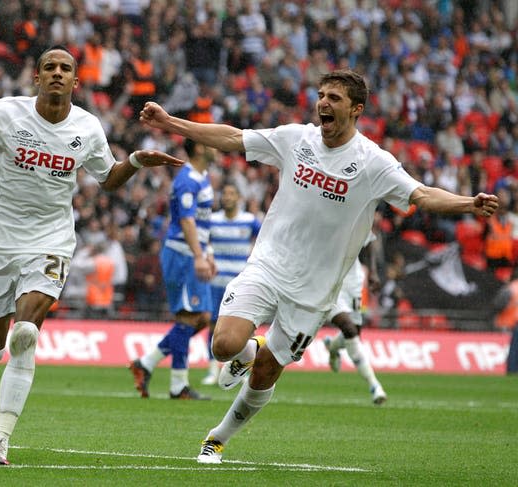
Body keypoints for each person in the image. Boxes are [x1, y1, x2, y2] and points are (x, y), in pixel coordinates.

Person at [138, 69, 499, 464]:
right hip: (269, 264)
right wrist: (170, 123)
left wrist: (468, 203)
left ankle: (218, 438)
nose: (323, 103)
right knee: (223, 345)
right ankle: (246, 351)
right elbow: (233, 138)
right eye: (322, 95)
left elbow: (422, 195)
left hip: (315, 290)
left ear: (357, 109)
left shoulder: (373, 162)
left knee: (266, 373)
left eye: (335, 98)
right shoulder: (298, 139)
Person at [0, 45, 183, 466]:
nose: (57, 73)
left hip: (50, 240)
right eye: (49, 67)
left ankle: (0, 439)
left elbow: (108, 179)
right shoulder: (4, 113)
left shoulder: (87, 126)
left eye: (65, 68)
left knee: (26, 334)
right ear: (36, 77)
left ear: (75, 81)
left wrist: (136, 160)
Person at [129, 138, 216, 400]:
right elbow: (187, 221)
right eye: (211, 143)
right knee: (188, 318)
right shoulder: (186, 180)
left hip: (193, 252)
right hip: (182, 254)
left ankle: (146, 362)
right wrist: (199, 256)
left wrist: (207, 252)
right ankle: (179, 385)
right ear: (200, 147)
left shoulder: (203, 177)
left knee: (200, 318)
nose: (216, 146)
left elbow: (202, 222)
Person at [202, 182, 261, 385]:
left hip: (240, 284)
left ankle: (242, 370)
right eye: (224, 193)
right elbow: (201, 239)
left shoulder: (249, 221)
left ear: (239, 198)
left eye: (231, 193)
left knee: (244, 329)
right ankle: (212, 370)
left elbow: (265, 239)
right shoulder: (212, 220)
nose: (227, 197)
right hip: (216, 283)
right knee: (212, 326)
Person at [323, 237, 387, 404]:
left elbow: (370, 240)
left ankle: (332, 346)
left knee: (354, 333)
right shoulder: (321, 219)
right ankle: (375, 385)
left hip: (354, 283)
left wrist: (372, 271)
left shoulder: (353, 215)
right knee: (349, 329)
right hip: (329, 284)